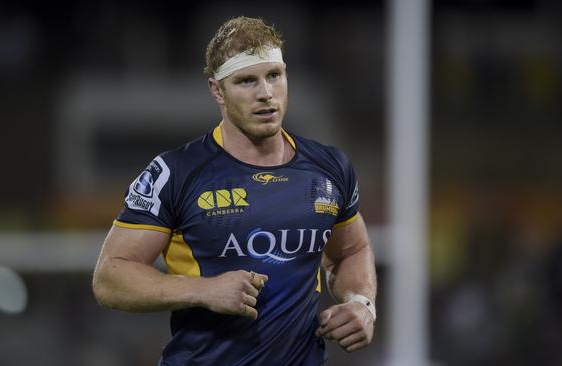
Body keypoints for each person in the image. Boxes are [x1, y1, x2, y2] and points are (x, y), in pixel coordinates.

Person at [92, 16, 378, 365]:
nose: (265, 94)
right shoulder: (177, 173)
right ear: (217, 91)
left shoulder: (329, 167)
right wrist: (202, 289)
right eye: (246, 81)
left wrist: (361, 304)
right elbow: (110, 276)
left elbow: (352, 250)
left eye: (274, 76)